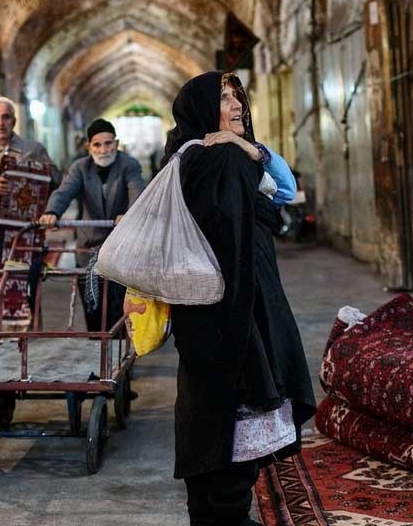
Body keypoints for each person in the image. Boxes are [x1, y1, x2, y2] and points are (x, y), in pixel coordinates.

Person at [131, 71, 315, 526]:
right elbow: (233, 252)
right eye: (224, 97)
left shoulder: (187, 156)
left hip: (205, 318)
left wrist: (251, 150)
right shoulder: (223, 164)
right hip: (237, 316)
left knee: (206, 418)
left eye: (238, 96)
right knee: (236, 420)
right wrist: (245, 334)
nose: (237, 105)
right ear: (199, 108)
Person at [38, 118, 146, 331]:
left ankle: (118, 351)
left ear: (116, 143)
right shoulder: (80, 167)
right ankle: (96, 349)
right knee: (92, 307)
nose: (103, 149)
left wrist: (128, 215)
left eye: (108, 143)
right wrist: (52, 212)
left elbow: (137, 193)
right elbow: (64, 191)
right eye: (97, 144)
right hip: (89, 247)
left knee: (118, 307)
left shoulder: (128, 165)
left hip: (120, 246)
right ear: (89, 147)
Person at [0, 95, 62, 216]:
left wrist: (34, 172)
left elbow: (57, 181)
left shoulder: (34, 149)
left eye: (6, 117)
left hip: (28, 227)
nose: (1, 123)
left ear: (14, 121)